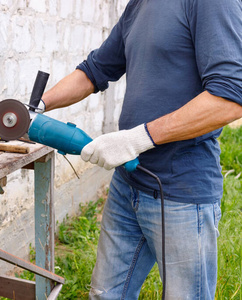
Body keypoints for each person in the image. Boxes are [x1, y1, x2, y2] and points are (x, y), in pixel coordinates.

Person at [40, 0, 242, 298]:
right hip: (128, 185)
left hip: (181, 190)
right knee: (106, 294)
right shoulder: (141, 3)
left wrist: (136, 139)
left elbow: (229, 96)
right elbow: (94, 70)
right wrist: (38, 105)